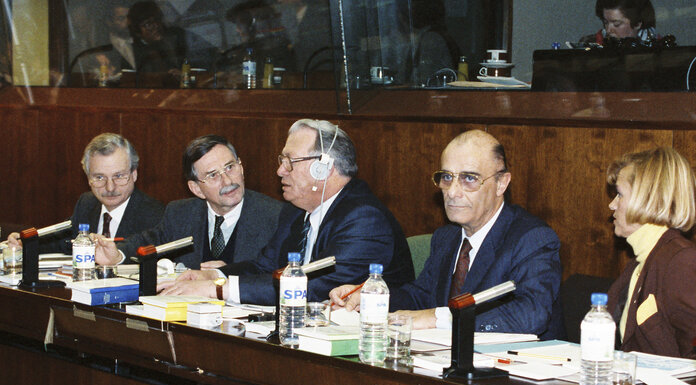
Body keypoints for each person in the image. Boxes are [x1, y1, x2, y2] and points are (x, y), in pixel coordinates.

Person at [331, 130, 564, 338]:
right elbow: (421, 296)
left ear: (501, 183)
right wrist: (374, 296)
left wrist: (438, 318)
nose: (452, 192)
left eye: (469, 178)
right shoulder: (447, 237)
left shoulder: (532, 238)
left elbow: (531, 314)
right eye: (447, 177)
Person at [158, 119, 414, 304]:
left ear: (323, 168)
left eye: (290, 162)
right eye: (282, 161)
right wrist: (210, 275)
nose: (280, 171)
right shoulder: (295, 212)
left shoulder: (364, 219)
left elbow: (312, 288)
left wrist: (216, 289)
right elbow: (265, 266)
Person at [605, 147, 696, 358]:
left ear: (649, 199)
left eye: (619, 195)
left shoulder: (682, 262)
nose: (612, 205)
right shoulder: (640, 262)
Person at [95, 134, 283, 270]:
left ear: (241, 167)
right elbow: (147, 243)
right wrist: (117, 256)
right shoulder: (181, 213)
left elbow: (278, 275)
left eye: (230, 167)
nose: (228, 181)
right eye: (212, 175)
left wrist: (230, 275)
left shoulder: (274, 216)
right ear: (196, 189)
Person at [4, 133, 164, 254]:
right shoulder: (87, 203)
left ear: (134, 174)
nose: (110, 187)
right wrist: (25, 243)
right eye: (99, 177)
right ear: (88, 178)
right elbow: (61, 241)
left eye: (119, 176)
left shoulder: (155, 214)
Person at [580, 0, 658, 46]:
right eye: (605, 23)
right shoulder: (589, 45)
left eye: (616, 24)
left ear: (637, 24)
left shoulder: (659, 49)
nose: (608, 30)